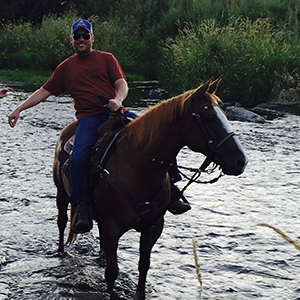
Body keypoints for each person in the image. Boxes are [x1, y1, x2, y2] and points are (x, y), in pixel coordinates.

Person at [8, 19, 190, 233]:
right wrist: (19, 108)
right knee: (77, 158)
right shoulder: (66, 67)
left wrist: (119, 101)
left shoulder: (107, 59)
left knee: (159, 133)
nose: (82, 39)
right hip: (89, 118)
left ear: (92, 38)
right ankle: (80, 205)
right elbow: (44, 91)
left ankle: (172, 187)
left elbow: (121, 84)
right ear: (72, 40)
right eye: (78, 36)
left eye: (86, 36)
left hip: (115, 112)